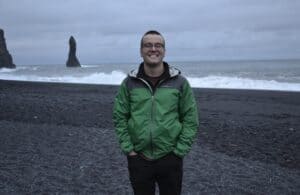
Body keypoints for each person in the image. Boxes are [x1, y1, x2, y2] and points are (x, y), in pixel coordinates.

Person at [113, 30, 199, 195]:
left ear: (164, 51)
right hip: (139, 158)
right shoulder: (129, 83)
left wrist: (179, 151)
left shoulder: (180, 83)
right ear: (141, 51)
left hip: (170, 158)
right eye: (148, 45)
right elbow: (119, 117)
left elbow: (190, 118)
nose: (153, 49)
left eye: (158, 45)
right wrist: (129, 150)